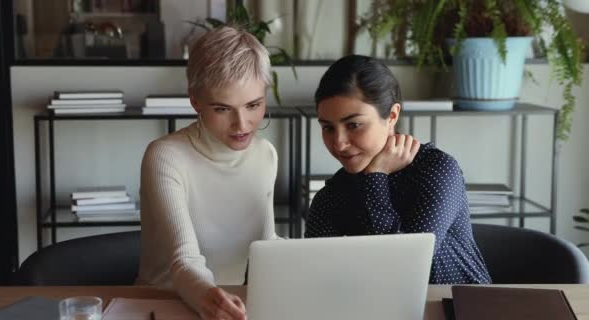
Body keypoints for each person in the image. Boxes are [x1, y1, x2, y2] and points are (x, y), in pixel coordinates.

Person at [305, 54, 492, 284]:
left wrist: (376, 176)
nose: (339, 143)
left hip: (464, 311)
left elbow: (406, 265)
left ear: (392, 116)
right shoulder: (331, 196)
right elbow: (319, 279)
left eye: (354, 125)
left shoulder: (438, 170)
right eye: (328, 128)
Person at [137, 26, 279, 320]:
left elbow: (266, 246)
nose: (242, 124)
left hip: (231, 308)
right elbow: (185, 260)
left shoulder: (266, 155)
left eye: (254, 105)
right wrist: (210, 297)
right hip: (161, 307)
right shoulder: (165, 156)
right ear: (195, 100)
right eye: (222, 109)